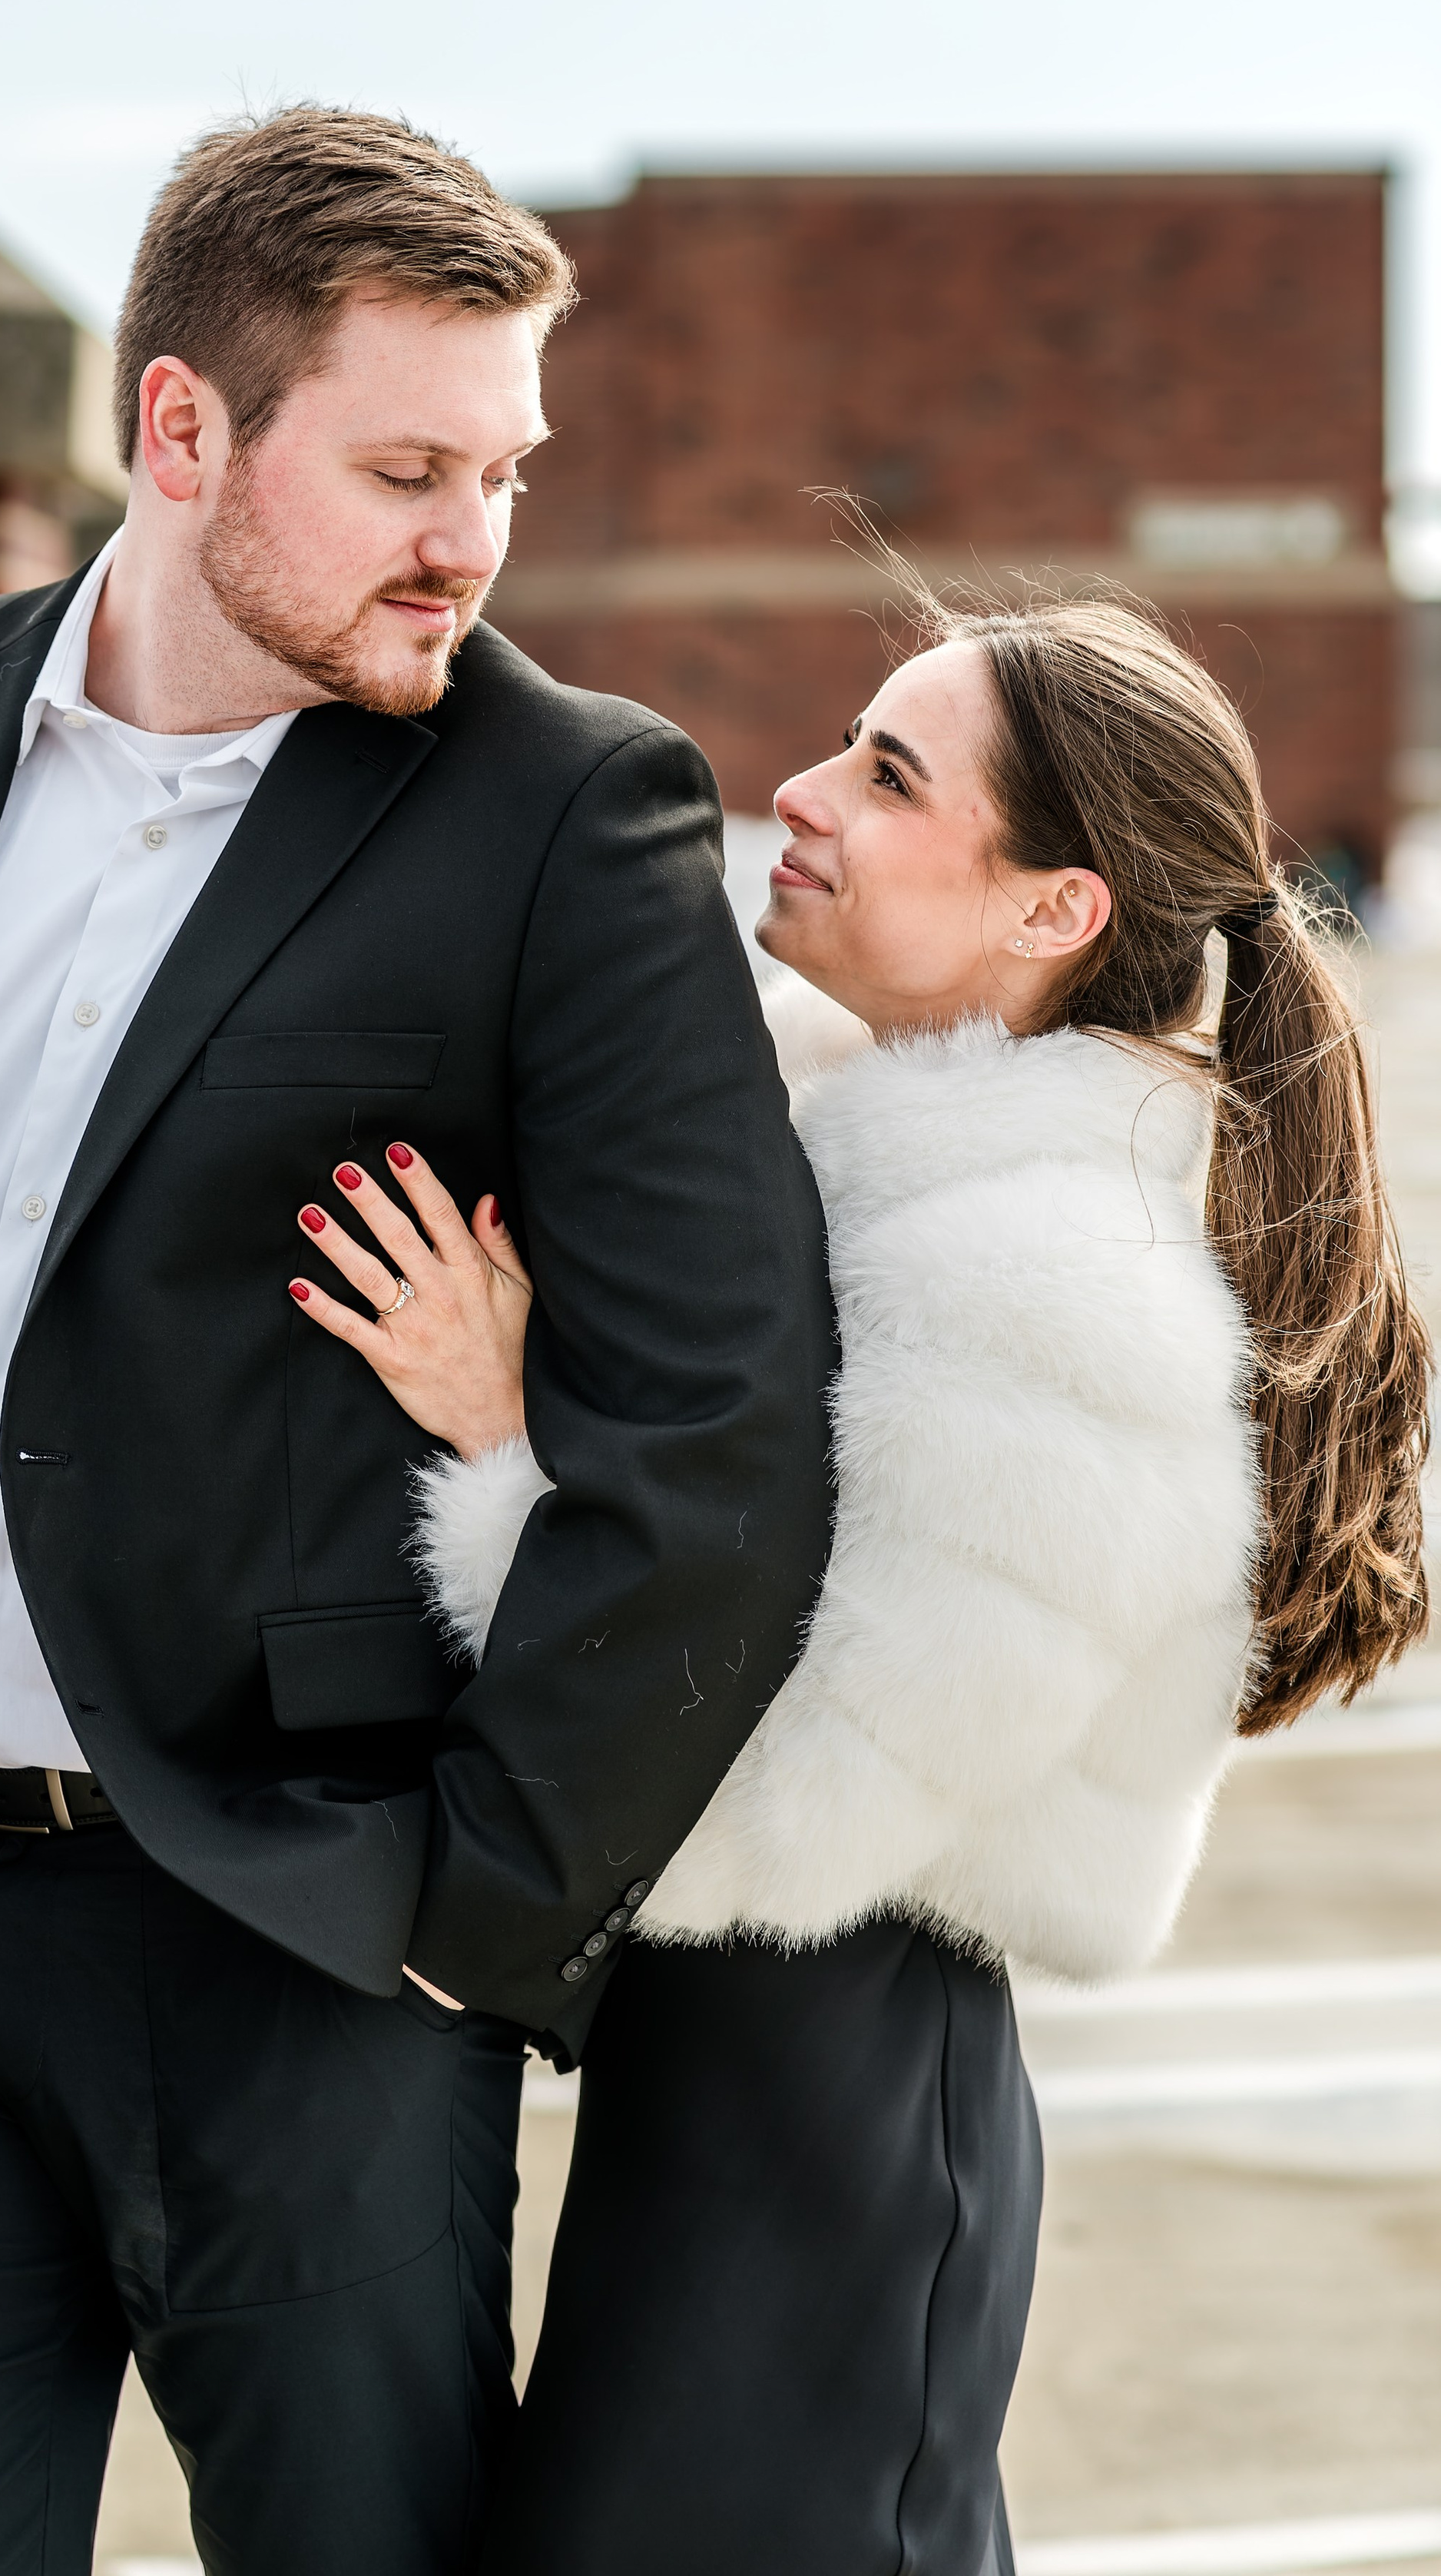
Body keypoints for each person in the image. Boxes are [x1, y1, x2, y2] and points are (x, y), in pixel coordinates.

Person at [0, 110, 838, 2576]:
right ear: (183, 429)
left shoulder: (567, 816)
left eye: (508, 473)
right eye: (412, 466)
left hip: (306, 1947)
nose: (474, 539)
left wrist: (472, 1922)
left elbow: (722, 1439)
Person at [286, 581, 1433, 2576]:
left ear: (1051, 909)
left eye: (890, 775)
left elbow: (780, 1826)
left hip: (833, 2124)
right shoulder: (876, 1180)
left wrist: (498, 1452)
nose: (798, 793)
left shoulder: (1049, 1287)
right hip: (750, 2111)